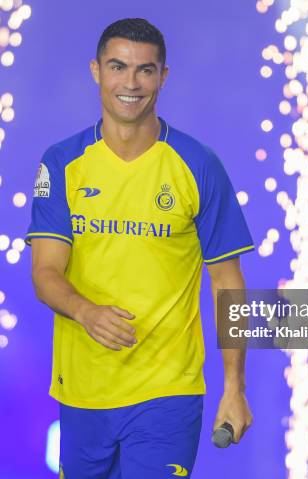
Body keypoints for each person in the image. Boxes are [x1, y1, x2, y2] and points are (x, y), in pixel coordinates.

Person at [26, 18, 254, 479]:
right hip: (82, 392)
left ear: (163, 77)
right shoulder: (62, 163)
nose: (131, 83)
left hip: (167, 393)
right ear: (96, 71)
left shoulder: (198, 165)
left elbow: (227, 282)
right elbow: (45, 273)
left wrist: (235, 385)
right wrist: (87, 313)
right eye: (118, 67)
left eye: (145, 70)